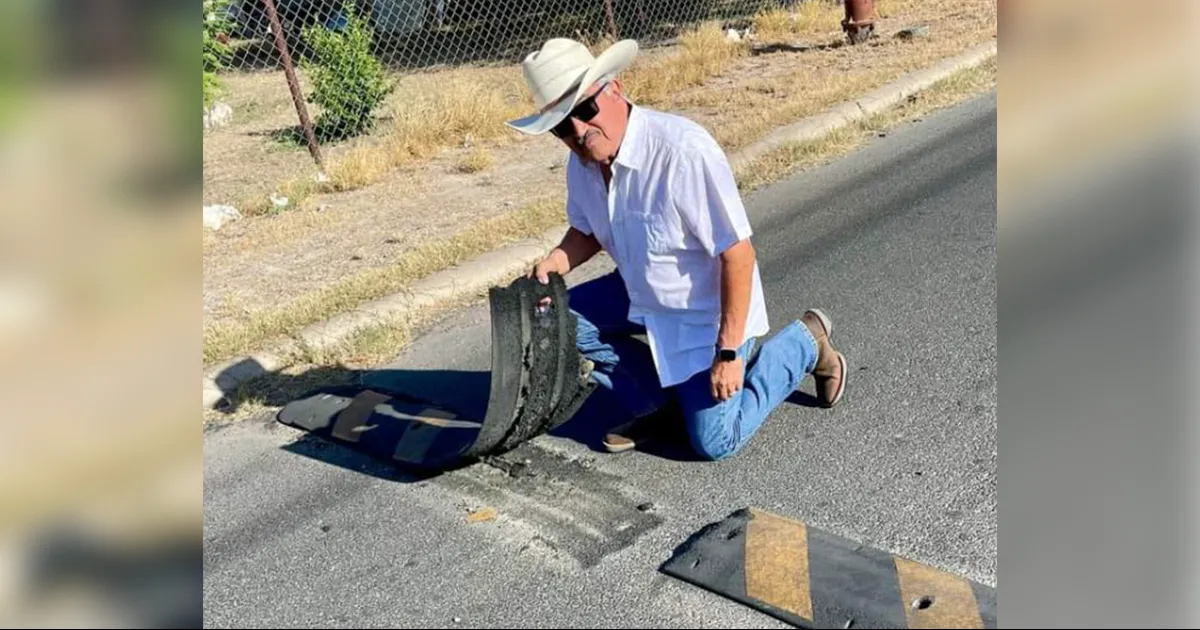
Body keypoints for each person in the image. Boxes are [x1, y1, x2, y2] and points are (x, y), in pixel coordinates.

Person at [505, 37, 847, 460]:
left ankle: (805, 343)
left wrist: (727, 353)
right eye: (561, 126)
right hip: (641, 293)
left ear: (614, 89)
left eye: (585, 109)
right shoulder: (583, 163)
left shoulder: (681, 152)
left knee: (715, 442)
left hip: (706, 315)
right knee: (554, 318)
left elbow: (737, 255)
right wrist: (556, 261)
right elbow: (589, 230)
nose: (577, 131)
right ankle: (662, 405)